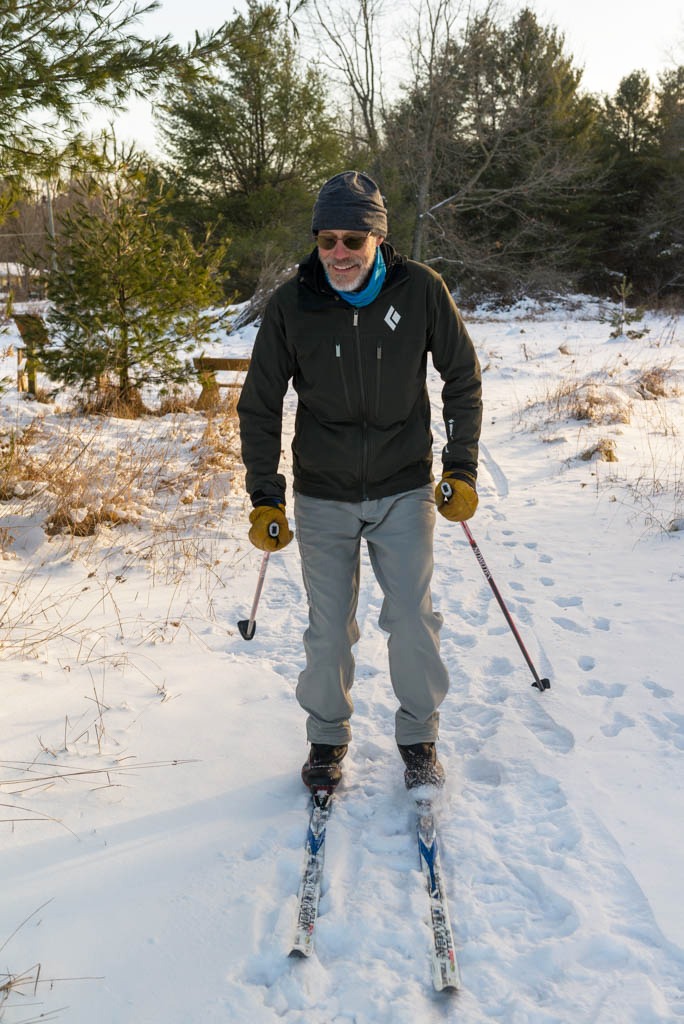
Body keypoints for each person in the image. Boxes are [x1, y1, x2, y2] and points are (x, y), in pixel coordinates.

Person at [237, 170, 482, 794]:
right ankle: (326, 737)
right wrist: (265, 495)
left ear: (377, 237)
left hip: (403, 487)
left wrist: (460, 466)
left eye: (352, 239)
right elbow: (260, 403)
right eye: (327, 240)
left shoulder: (421, 291)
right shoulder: (293, 304)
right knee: (328, 626)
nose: (339, 253)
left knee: (410, 616)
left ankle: (418, 735)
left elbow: (462, 377)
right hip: (323, 493)